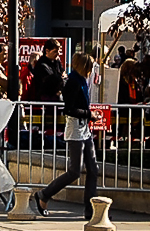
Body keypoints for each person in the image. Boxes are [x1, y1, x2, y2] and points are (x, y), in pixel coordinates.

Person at [34, 53, 102, 219]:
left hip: (84, 129)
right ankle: (44, 194)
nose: (91, 71)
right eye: (90, 67)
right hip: (75, 130)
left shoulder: (80, 80)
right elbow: (69, 109)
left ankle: (90, 210)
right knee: (74, 171)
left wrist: (89, 115)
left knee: (93, 169)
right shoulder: (73, 82)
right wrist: (89, 114)